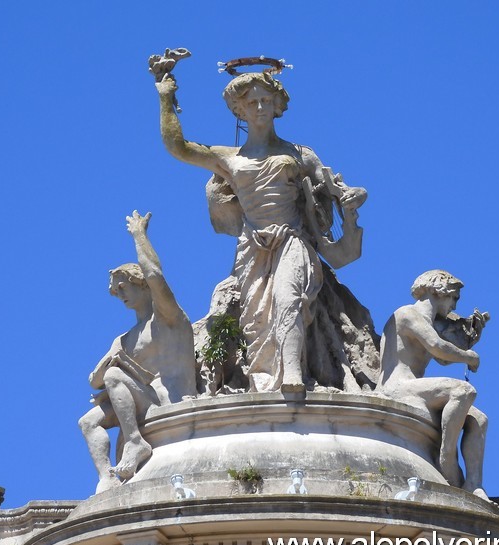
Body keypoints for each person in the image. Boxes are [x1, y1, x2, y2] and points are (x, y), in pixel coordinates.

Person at [154, 69, 369, 393]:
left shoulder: (299, 154)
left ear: (277, 104)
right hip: (252, 247)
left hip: (292, 241)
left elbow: (337, 188)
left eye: (265, 100)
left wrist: (357, 195)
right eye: (251, 102)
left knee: (288, 298)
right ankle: (264, 381)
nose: (259, 107)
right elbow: (179, 147)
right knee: (255, 319)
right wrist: (166, 98)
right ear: (239, 108)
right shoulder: (228, 158)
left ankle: (293, 373)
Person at [79, 211, 196, 493]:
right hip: (144, 400)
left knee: (115, 377)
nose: (120, 294)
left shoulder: (169, 319)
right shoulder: (125, 339)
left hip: (171, 398)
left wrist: (139, 236)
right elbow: (94, 380)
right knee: (88, 421)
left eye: (124, 286)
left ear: (140, 282)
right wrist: (114, 360)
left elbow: (155, 274)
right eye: (116, 291)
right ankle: (106, 477)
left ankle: (135, 441)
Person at [378, 270, 489, 499]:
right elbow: (437, 347)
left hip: (415, 390)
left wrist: (470, 338)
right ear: (439, 290)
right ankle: (447, 458)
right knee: (463, 390)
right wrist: (468, 356)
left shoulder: (429, 322)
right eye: (454, 298)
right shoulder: (407, 314)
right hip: (397, 388)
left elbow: (441, 357)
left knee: (479, 419)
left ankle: (474, 485)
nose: (454, 307)